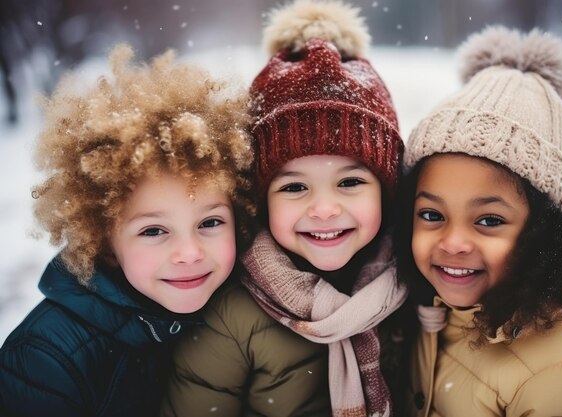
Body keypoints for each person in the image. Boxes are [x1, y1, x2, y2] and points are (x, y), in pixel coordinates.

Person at [160, 1, 408, 416]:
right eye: (294, 186)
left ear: (387, 191)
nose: (325, 208)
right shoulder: (233, 316)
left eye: (350, 182)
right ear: (260, 200)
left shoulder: (414, 287)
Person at [0, 44, 256, 417]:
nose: (189, 252)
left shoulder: (244, 309)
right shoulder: (46, 358)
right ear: (104, 240)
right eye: (153, 231)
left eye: (210, 223)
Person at [396, 26, 562, 416]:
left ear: (544, 232)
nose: (453, 242)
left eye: (488, 220)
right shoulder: (433, 307)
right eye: (432, 215)